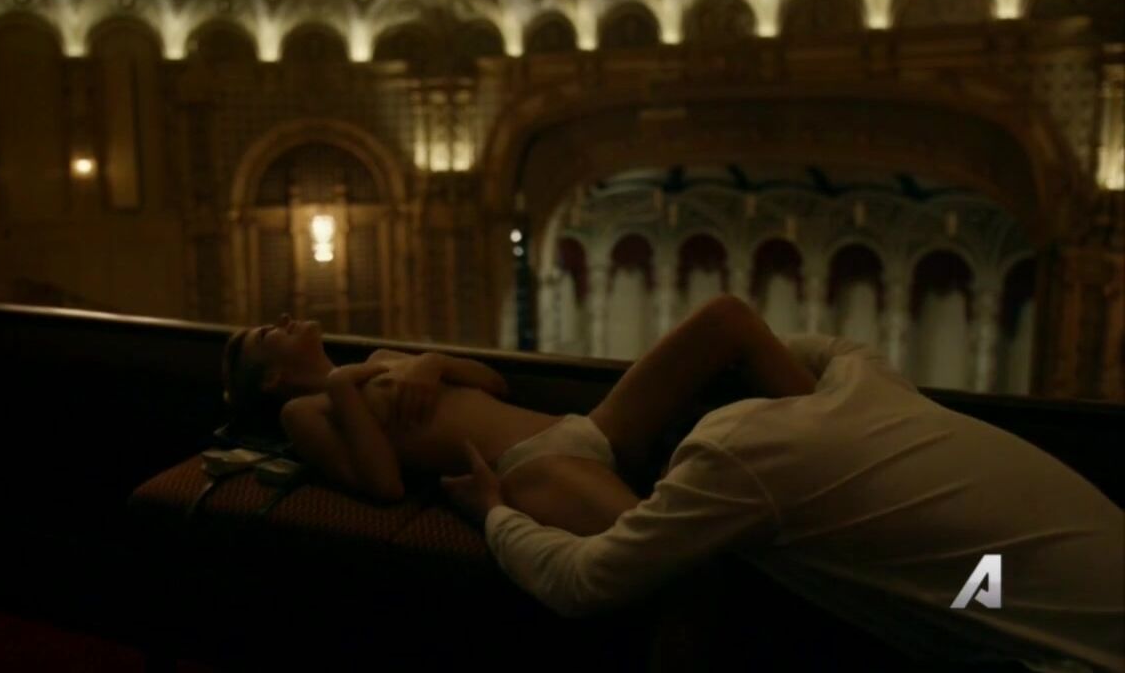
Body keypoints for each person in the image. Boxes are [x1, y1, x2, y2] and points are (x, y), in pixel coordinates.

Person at [438, 313, 1125, 673]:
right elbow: (735, 324)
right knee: (968, 583)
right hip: (1056, 580)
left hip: (1080, 655)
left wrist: (494, 512)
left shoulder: (732, 458)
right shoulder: (859, 375)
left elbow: (579, 581)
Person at [221, 295, 817, 535]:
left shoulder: (379, 360)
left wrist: (432, 361)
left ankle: (834, 428)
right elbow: (384, 485)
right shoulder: (306, 409)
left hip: (580, 427)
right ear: (271, 378)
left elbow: (495, 384)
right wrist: (341, 383)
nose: (283, 320)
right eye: (267, 334)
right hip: (530, 468)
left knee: (727, 319)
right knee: (671, 553)